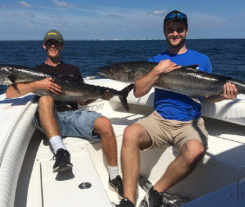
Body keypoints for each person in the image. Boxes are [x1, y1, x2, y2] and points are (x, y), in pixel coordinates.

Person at [116, 10, 238, 207]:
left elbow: (209, 96)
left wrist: (224, 95)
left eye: (179, 29)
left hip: (189, 122)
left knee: (196, 149)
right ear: (164, 32)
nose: (175, 34)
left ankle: (157, 190)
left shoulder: (202, 59)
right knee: (130, 133)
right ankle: (128, 200)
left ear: (186, 31)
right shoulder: (155, 60)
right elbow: (138, 92)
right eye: (170, 30)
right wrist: (157, 70)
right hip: (160, 119)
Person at [6, 29, 123, 198]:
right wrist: (39, 85)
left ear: (61, 46)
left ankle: (114, 177)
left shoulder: (73, 69)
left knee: (105, 123)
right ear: (44, 46)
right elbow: (10, 93)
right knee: (45, 99)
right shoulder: (35, 71)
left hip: (73, 115)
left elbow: (82, 100)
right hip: (48, 117)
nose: (52, 46)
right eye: (49, 43)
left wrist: (101, 96)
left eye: (56, 43)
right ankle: (61, 152)